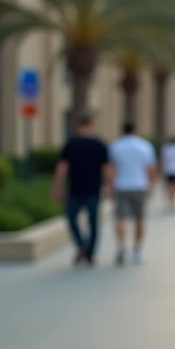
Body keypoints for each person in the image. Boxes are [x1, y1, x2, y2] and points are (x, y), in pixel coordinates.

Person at [52, 113, 110, 266]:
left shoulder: (95, 145)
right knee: (81, 221)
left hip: (86, 189)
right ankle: (85, 248)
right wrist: (111, 187)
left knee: (80, 220)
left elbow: (62, 168)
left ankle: (86, 250)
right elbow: (63, 167)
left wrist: (57, 186)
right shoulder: (74, 145)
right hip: (80, 190)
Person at [109, 121, 158, 266]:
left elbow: (112, 168)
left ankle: (122, 247)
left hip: (122, 186)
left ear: (122, 130)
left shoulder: (116, 146)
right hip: (140, 186)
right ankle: (137, 250)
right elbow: (151, 168)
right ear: (136, 129)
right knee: (140, 219)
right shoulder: (145, 146)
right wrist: (152, 185)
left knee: (121, 218)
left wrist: (110, 186)